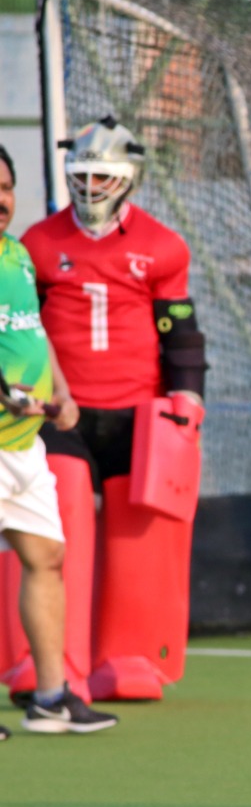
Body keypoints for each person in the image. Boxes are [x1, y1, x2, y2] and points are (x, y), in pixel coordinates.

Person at [20, 115, 207, 703]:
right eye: (82, 175)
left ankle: (128, 657)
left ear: (130, 178)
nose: (91, 187)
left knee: (137, 541)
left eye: (103, 176)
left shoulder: (163, 245)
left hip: (139, 417)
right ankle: (48, 660)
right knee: (57, 528)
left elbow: (179, 329)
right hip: (59, 415)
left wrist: (187, 395)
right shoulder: (38, 243)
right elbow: (21, 329)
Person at [0, 142, 116, 734]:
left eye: (5, 188)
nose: (0, 201)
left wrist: (63, 392)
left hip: (23, 445)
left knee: (46, 557)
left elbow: (34, 332)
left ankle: (50, 699)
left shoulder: (18, 255)